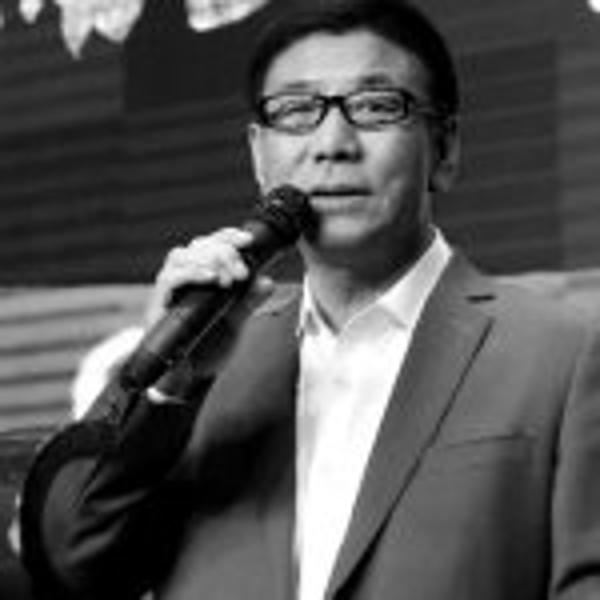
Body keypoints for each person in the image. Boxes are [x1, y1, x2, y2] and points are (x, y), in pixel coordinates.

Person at [17, 1, 600, 599]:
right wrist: (167, 392)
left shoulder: (565, 352)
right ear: (258, 156)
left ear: (445, 149)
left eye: (375, 107)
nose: (332, 143)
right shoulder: (202, 360)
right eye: (297, 112)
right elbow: (74, 566)